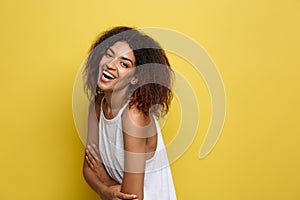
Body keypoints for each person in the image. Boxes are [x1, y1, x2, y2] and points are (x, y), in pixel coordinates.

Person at [82, 26, 177, 200]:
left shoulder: (133, 116)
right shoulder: (97, 106)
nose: (110, 65)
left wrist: (104, 179)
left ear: (136, 78)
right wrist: (105, 191)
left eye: (124, 63)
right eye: (109, 55)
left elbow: (132, 197)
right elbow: (88, 169)